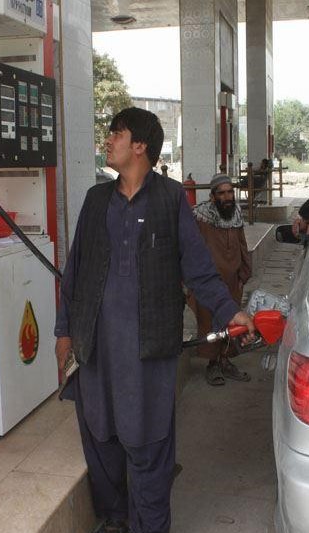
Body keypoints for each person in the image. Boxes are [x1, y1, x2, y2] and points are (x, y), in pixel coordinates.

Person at [54, 107, 255, 533]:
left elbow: (199, 269)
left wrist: (231, 310)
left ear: (140, 145)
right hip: (95, 350)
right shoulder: (95, 200)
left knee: (148, 446)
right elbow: (76, 272)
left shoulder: (169, 200)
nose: (108, 140)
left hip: (148, 353)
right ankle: (115, 518)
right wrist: (64, 332)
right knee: (101, 439)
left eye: (116, 133)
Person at [190, 174, 252, 386]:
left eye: (230, 192)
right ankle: (213, 364)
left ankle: (225, 361)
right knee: (209, 324)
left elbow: (242, 245)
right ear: (213, 196)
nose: (227, 197)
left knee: (232, 324)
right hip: (208, 283)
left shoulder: (235, 215)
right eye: (222, 193)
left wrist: (244, 272)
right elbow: (191, 249)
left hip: (233, 281)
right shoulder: (200, 217)